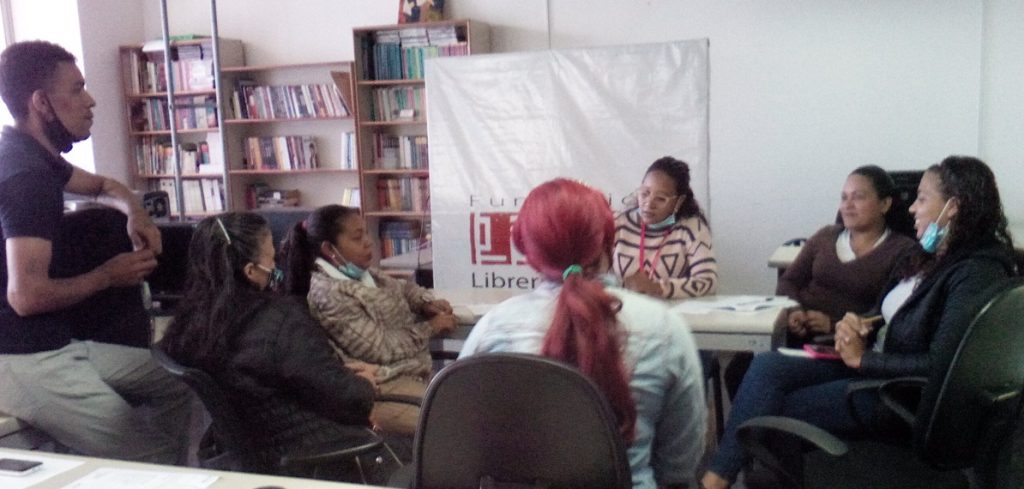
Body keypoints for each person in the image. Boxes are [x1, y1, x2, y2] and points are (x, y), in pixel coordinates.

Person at [702, 156, 1019, 489]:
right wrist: (858, 322)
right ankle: (718, 479)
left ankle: (736, 480)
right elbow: (886, 310)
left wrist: (863, 359)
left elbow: (944, 365)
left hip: (896, 391)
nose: (912, 208)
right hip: (872, 362)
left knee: (773, 407)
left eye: (922, 199)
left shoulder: (974, 272)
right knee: (767, 366)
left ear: (952, 207)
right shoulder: (928, 257)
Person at [0, 41, 191, 464]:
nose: (91, 101)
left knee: (181, 382)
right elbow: (25, 297)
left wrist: (136, 214)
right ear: (41, 103)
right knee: (153, 458)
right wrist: (109, 275)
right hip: (22, 359)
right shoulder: (26, 177)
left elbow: (104, 185)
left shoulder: (30, 155)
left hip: (58, 344)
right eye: (77, 89)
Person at [460, 178, 707, 489]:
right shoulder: (666, 328)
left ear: (529, 251)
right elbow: (679, 467)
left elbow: (463, 439)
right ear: (607, 244)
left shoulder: (493, 327)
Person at [159, 212, 376, 474]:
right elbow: (349, 399)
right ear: (251, 271)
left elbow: (271, 374)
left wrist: (332, 371)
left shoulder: (191, 324)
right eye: (272, 260)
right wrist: (365, 384)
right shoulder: (281, 320)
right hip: (311, 450)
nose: (277, 268)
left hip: (250, 450)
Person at [281, 204, 456, 436]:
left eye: (365, 233)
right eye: (357, 237)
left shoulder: (362, 273)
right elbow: (380, 348)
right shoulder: (328, 293)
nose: (368, 242)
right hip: (381, 388)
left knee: (473, 408)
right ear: (329, 249)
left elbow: (402, 288)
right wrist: (430, 328)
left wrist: (425, 302)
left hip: (412, 374)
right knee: (457, 425)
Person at [777, 165, 917, 343]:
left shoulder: (903, 251)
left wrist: (833, 324)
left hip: (845, 344)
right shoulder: (826, 235)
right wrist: (794, 310)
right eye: (844, 198)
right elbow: (788, 281)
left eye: (858, 197)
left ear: (884, 204)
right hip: (796, 333)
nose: (847, 206)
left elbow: (891, 315)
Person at [613, 156, 717, 299]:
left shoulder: (692, 228)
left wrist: (659, 288)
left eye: (661, 198)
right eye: (644, 193)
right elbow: (593, 274)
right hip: (623, 308)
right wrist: (619, 284)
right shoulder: (618, 224)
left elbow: (708, 282)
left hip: (670, 311)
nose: (648, 204)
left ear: (679, 201)